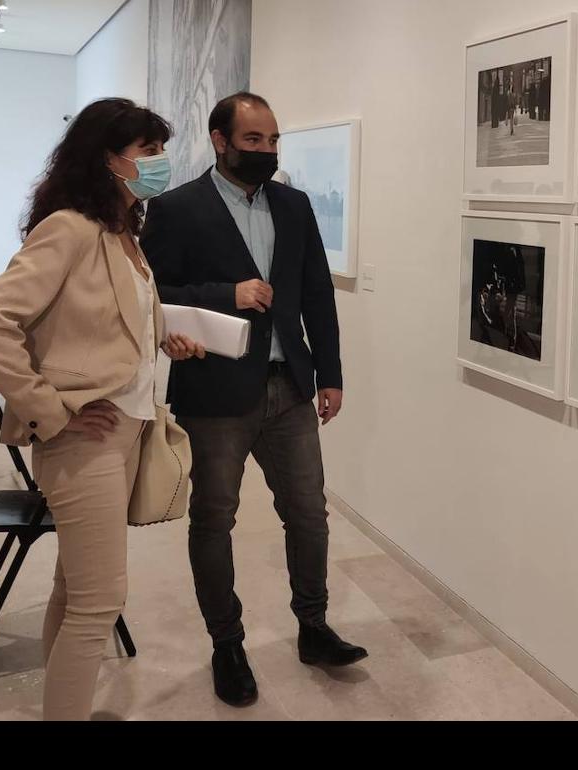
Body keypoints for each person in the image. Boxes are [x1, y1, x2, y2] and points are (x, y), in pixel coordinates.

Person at [0, 98, 204, 721]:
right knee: (101, 602)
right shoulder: (69, 227)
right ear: (109, 158)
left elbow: (106, 315)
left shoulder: (123, 230)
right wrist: (51, 411)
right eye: (148, 152)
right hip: (82, 438)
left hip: (128, 427)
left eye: (159, 149)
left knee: (74, 590)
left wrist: (160, 334)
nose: (159, 163)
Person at [140, 91, 366, 709]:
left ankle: (314, 627)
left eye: (273, 142)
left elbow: (317, 292)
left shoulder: (293, 206)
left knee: (309, 514)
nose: (266, 152)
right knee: (215, 520)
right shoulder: (176, 208)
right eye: (253, 141)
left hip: (290, 388)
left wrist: (331, 373)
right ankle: (227, 644)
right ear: (220, 140)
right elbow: (152, 294)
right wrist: (224, 293)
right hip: (215, 392)